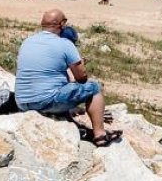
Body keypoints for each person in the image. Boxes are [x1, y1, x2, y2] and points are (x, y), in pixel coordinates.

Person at [15, 10, 117, 146]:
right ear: (62, 24)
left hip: (22, 101)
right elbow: (81, 78)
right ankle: (100, 134)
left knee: (60, 88)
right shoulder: (65, 44)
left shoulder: (28, 41)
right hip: (46, 102)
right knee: (94, 87)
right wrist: (79, 63)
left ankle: (77, 126)